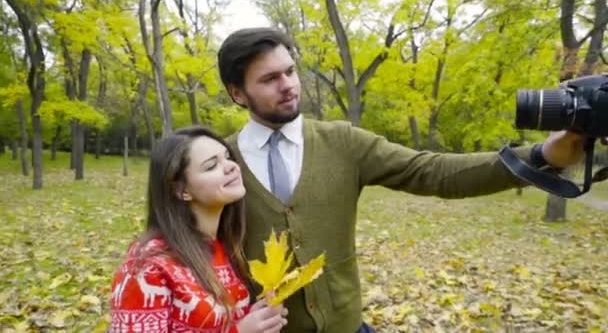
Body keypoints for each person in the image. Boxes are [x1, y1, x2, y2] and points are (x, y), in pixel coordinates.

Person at [217, 27, 594, 333]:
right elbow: (181, 262)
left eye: (290, 71)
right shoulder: (216, 161)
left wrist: (540, 157)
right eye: (269, 79)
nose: (288, 85)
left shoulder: (343, 143)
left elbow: (434, 172)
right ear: (237, 93)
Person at [109, 126, 287, 332]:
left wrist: (258, 318)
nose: (231, 167)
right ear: (181, 190)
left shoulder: (228, 248)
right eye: (211, 166)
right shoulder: (149, 265)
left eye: (227, 157)